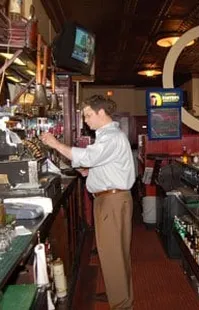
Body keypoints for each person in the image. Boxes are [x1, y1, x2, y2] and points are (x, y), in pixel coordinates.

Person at [40, 95, 135, 310]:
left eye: (88, 115)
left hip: (111, 201)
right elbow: (102, 163)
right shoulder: (109, 135)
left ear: (101, 112)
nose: (85, 121)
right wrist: (91, 172)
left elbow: (89, 157)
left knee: (112, 254)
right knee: (117, 253)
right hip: (114, 199)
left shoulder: (110, 135)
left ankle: (121, 304)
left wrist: (55, 144)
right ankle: (120, 295)